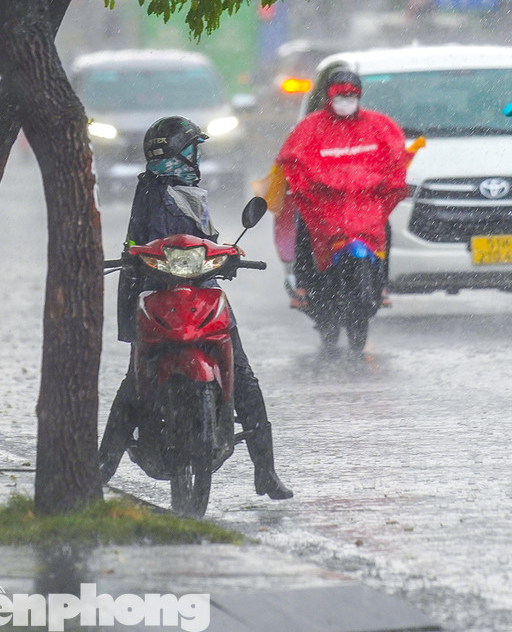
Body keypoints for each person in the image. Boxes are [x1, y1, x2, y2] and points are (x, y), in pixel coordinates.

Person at [98, 116, 293, 500]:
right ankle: (101, 468)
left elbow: (205, 241)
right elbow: (137, 243)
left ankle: (265, 471)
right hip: (155, 295)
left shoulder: (191, 193)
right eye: (191, 149)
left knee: (242, 377)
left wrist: (228, 255)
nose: (196, 156)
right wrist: (135, 261)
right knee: (134, 386)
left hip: (202, 290)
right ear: (176, 153)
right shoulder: (150, 194)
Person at [273, 70, 413, 311]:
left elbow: (395, 155)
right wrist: (315, 182)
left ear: (358, 96)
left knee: (385, 229)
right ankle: (304, 286)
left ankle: (380, 285)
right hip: (324, 204)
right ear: (328, 97)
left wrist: (382, 181)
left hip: (364, 203)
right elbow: (293, 157)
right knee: (306, 225)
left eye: (350, 96)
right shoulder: (311, 127)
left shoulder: (379, 125)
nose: (345, 102)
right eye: (339, 96)